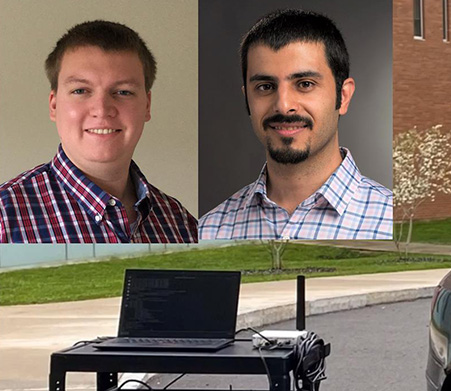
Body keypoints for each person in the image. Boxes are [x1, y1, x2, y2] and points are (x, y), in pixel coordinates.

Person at [199, 9, 393, 240]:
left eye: (305, 84)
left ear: (344, 96)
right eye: (265, 87)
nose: (283, 105)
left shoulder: (394, 222)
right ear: (247, 99)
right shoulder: (207, 230)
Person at [0, 20, 197, 244]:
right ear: (54, 105)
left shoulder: (181, 223)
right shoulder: (4, 216)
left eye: (123, 91)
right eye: (81, 90)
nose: (102, 110)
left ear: (147, 106)